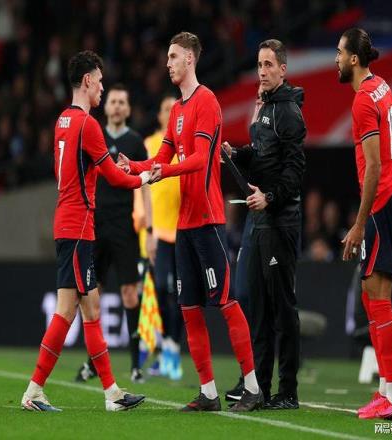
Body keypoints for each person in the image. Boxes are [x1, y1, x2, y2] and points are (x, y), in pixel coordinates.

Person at [119, 31, 262, 412]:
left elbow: (200, 159)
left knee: (226, 302)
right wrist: (133, 166)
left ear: (190, 59)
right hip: (184, 225)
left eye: (173, 56)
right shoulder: (178, 111)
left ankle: (252, 386)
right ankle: (208, 393)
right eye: (168, 57)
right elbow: (160, 157)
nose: (167, 63)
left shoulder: (207, 101)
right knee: (189, 308)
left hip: (208, 219)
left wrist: (162, 172)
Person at [20, 51, 148, 412]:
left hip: (69, 221)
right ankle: (34, 391)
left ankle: (112, 394)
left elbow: (66, 170)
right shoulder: (88, 125)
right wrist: (144, 178)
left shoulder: (62, 120)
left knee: (90, 309)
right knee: (67, 311)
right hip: (78, 226)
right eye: (100, 81)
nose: (103, 88)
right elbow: (114, 177)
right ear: (88, 81)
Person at [222, 39, 306, 410]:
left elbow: (294, 171)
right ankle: (259, 386)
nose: (262, 71)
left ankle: (288, 391)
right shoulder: (265, 107)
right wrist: (237, 154)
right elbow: (261, 157)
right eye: (259, 64)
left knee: (281, 307)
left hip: (279, 221)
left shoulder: (288, 111)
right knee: (256, 305)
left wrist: (270, 197)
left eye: (269, 65)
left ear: (283, 69)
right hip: (260, 220)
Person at [336, 28, 392, 421]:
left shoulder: (364, 99)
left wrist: (361, 223)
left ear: (353, 59)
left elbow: (375, 166)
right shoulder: (383, 87)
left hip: (380, 206)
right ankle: (386, 391)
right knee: (371, 294)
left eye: (339, 52)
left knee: (377, 296)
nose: (335, 59)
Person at [74, 83, 154, 384]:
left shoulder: (135, 142)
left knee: (130, 294)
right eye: (113, 101)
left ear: (128, 109)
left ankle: (135, 365)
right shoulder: (95, 135)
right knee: (92, 295)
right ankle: (93, 362)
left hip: (124, 227)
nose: (117, 106)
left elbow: (145, 185)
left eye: (122, 102)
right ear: (106, 106)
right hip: (95, 226)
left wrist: (149, 229)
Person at [144, 94, 183, 380]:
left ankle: (172, 349)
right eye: (166, 109)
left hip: (182, 230)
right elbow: (142, 189)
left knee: (180, 294)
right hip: (158, 231)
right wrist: (145, 228)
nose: (170, 113)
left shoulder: (184, 145)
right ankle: (166, 344)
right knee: (159, 288)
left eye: (174, 109)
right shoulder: (150, 144)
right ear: (159, 116)